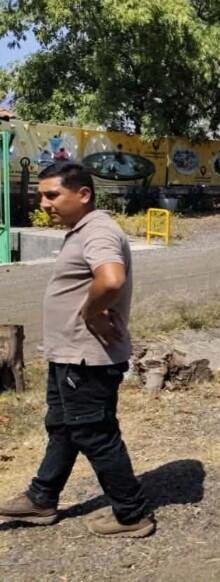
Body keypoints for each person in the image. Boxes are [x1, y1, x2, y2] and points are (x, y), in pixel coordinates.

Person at [0, 163, 154, 538]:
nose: (44, 203)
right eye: (41, 195)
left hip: (87, 357)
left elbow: (111, 280)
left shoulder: (98, 230)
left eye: (52, 195)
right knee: (63, 426)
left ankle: (132, 514)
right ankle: (41, 498)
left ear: (83, 194)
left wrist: (91, 313)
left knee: (94, 432)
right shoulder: (82, 230)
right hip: (68, 354)